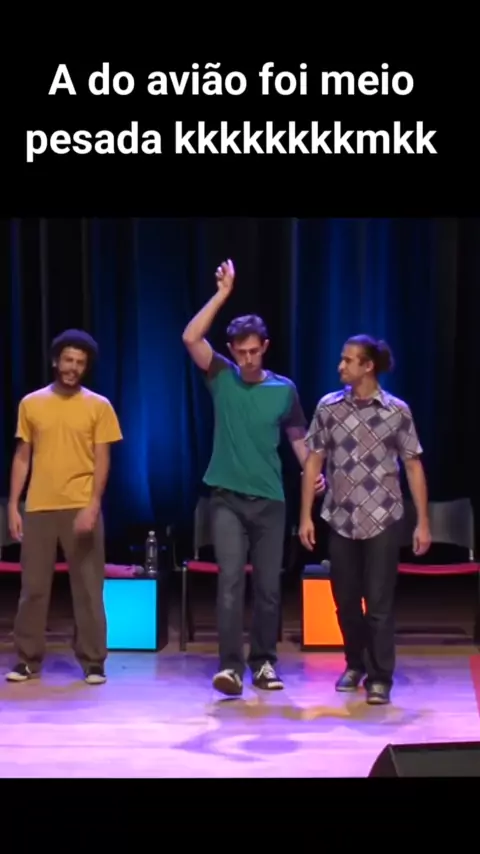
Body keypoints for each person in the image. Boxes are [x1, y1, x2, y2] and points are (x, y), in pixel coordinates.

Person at [182, 259, 325, 696]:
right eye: (240, 352)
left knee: (267, 588)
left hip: (270, 502)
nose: (246, 359)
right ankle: (230, 667)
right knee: (229, 583)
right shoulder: (221, 377)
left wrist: (312, 474)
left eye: (253, 351)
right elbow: (190, 337)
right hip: (226, 498)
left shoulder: (284, 389)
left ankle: (263, 663)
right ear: (232, 350)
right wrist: (222, 294)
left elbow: (299, 441)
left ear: (265, 347)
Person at [299, 335, 431, 705]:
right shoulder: (329, 407)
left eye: (348, 360)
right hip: (341, 518)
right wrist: (305, 515)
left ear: (368, 366)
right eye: (341, 359)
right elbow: (313, 461)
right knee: (345, 602)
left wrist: (423, 522)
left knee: (378, 604)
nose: (340, 366)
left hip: (383, 518)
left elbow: (413, 465)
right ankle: (354, 663)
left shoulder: (396, 411)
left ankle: (380, 676)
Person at [6, 329, 123, 685]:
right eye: (68, 360)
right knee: (33, 588)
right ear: (56, 361)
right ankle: (27, 659)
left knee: (88, 588)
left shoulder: (99, 406)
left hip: (81, 506)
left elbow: (102, 460)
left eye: (80, 362)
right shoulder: (31, 403)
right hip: (39, 507)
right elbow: (23, 456)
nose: (73, 367)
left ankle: (93, 661)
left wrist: (93, 505)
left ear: (86, 367)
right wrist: (13, 505)